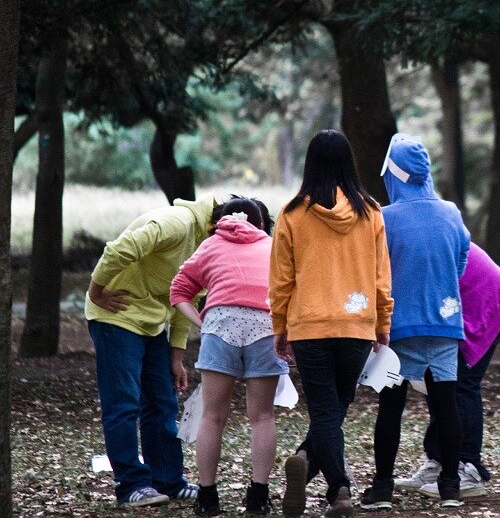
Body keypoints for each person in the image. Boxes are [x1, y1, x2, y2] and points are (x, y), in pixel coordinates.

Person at [270, 130, 393, 518]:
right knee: (335, 408)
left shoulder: (291, 214)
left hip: (309, 326)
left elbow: (281, 280)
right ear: (349, 163)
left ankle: (313, 466)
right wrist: (383, 323)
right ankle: (337, 487)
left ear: (310, 164)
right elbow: (381, 276)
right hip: (356, 325)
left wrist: (280, 328)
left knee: (326, 410)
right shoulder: (371, 212)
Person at [360, 133, 471, 511]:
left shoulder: (384, 218)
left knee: (391, 408)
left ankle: (382, 489)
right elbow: (461, 262)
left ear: (392, 173)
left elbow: (375, 270)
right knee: (446, 406)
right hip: (444, 324)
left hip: (398, 328)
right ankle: (450, 486)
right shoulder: (451, 212)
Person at [86, 195, 216, 507]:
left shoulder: (207, 247)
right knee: (124, 403)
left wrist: (176, 356)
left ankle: (168, 481)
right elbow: (120, 248)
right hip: (116, 315)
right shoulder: (177, 223)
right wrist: (95, 291)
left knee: (162, 401)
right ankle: (131, 485)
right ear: (218, 225)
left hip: (152, 323)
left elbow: (187, 296)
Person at [169, 196, 288, 516]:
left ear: (220, 221)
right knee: (262, 417)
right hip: (265, 326)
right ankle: (258, 496)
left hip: (220, 326)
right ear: (261, 223)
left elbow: (178, 291)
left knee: (212, 416)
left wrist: (203, 322)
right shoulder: (273, 247)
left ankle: (207, 497)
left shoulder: (209, 246)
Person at [397, 242, 500, 499]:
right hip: (456, 300)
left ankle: (469, 468)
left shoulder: (393, 234)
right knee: (437, 381)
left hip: (482, 298)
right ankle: (440, 460)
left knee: (460, 384)